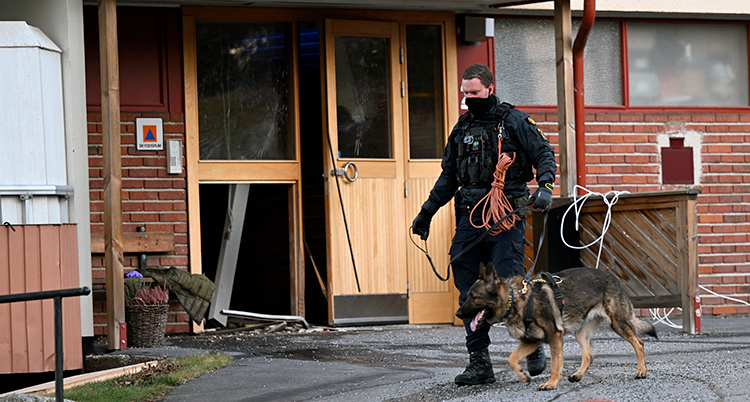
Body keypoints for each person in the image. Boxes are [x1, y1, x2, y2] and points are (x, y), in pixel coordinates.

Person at [412, 64, 557, 386]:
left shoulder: (516, 121)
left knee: (511, 284)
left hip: (506, 215)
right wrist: (427, 212)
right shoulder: (462, 127)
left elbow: (544, 153)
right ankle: (479, 363)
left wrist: (545, 187)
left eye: (474, 93)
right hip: (470, 216)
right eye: (465, 94)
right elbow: (449, 176)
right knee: (469, 294)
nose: (469, 99)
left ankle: (532, 342)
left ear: (490, 88)